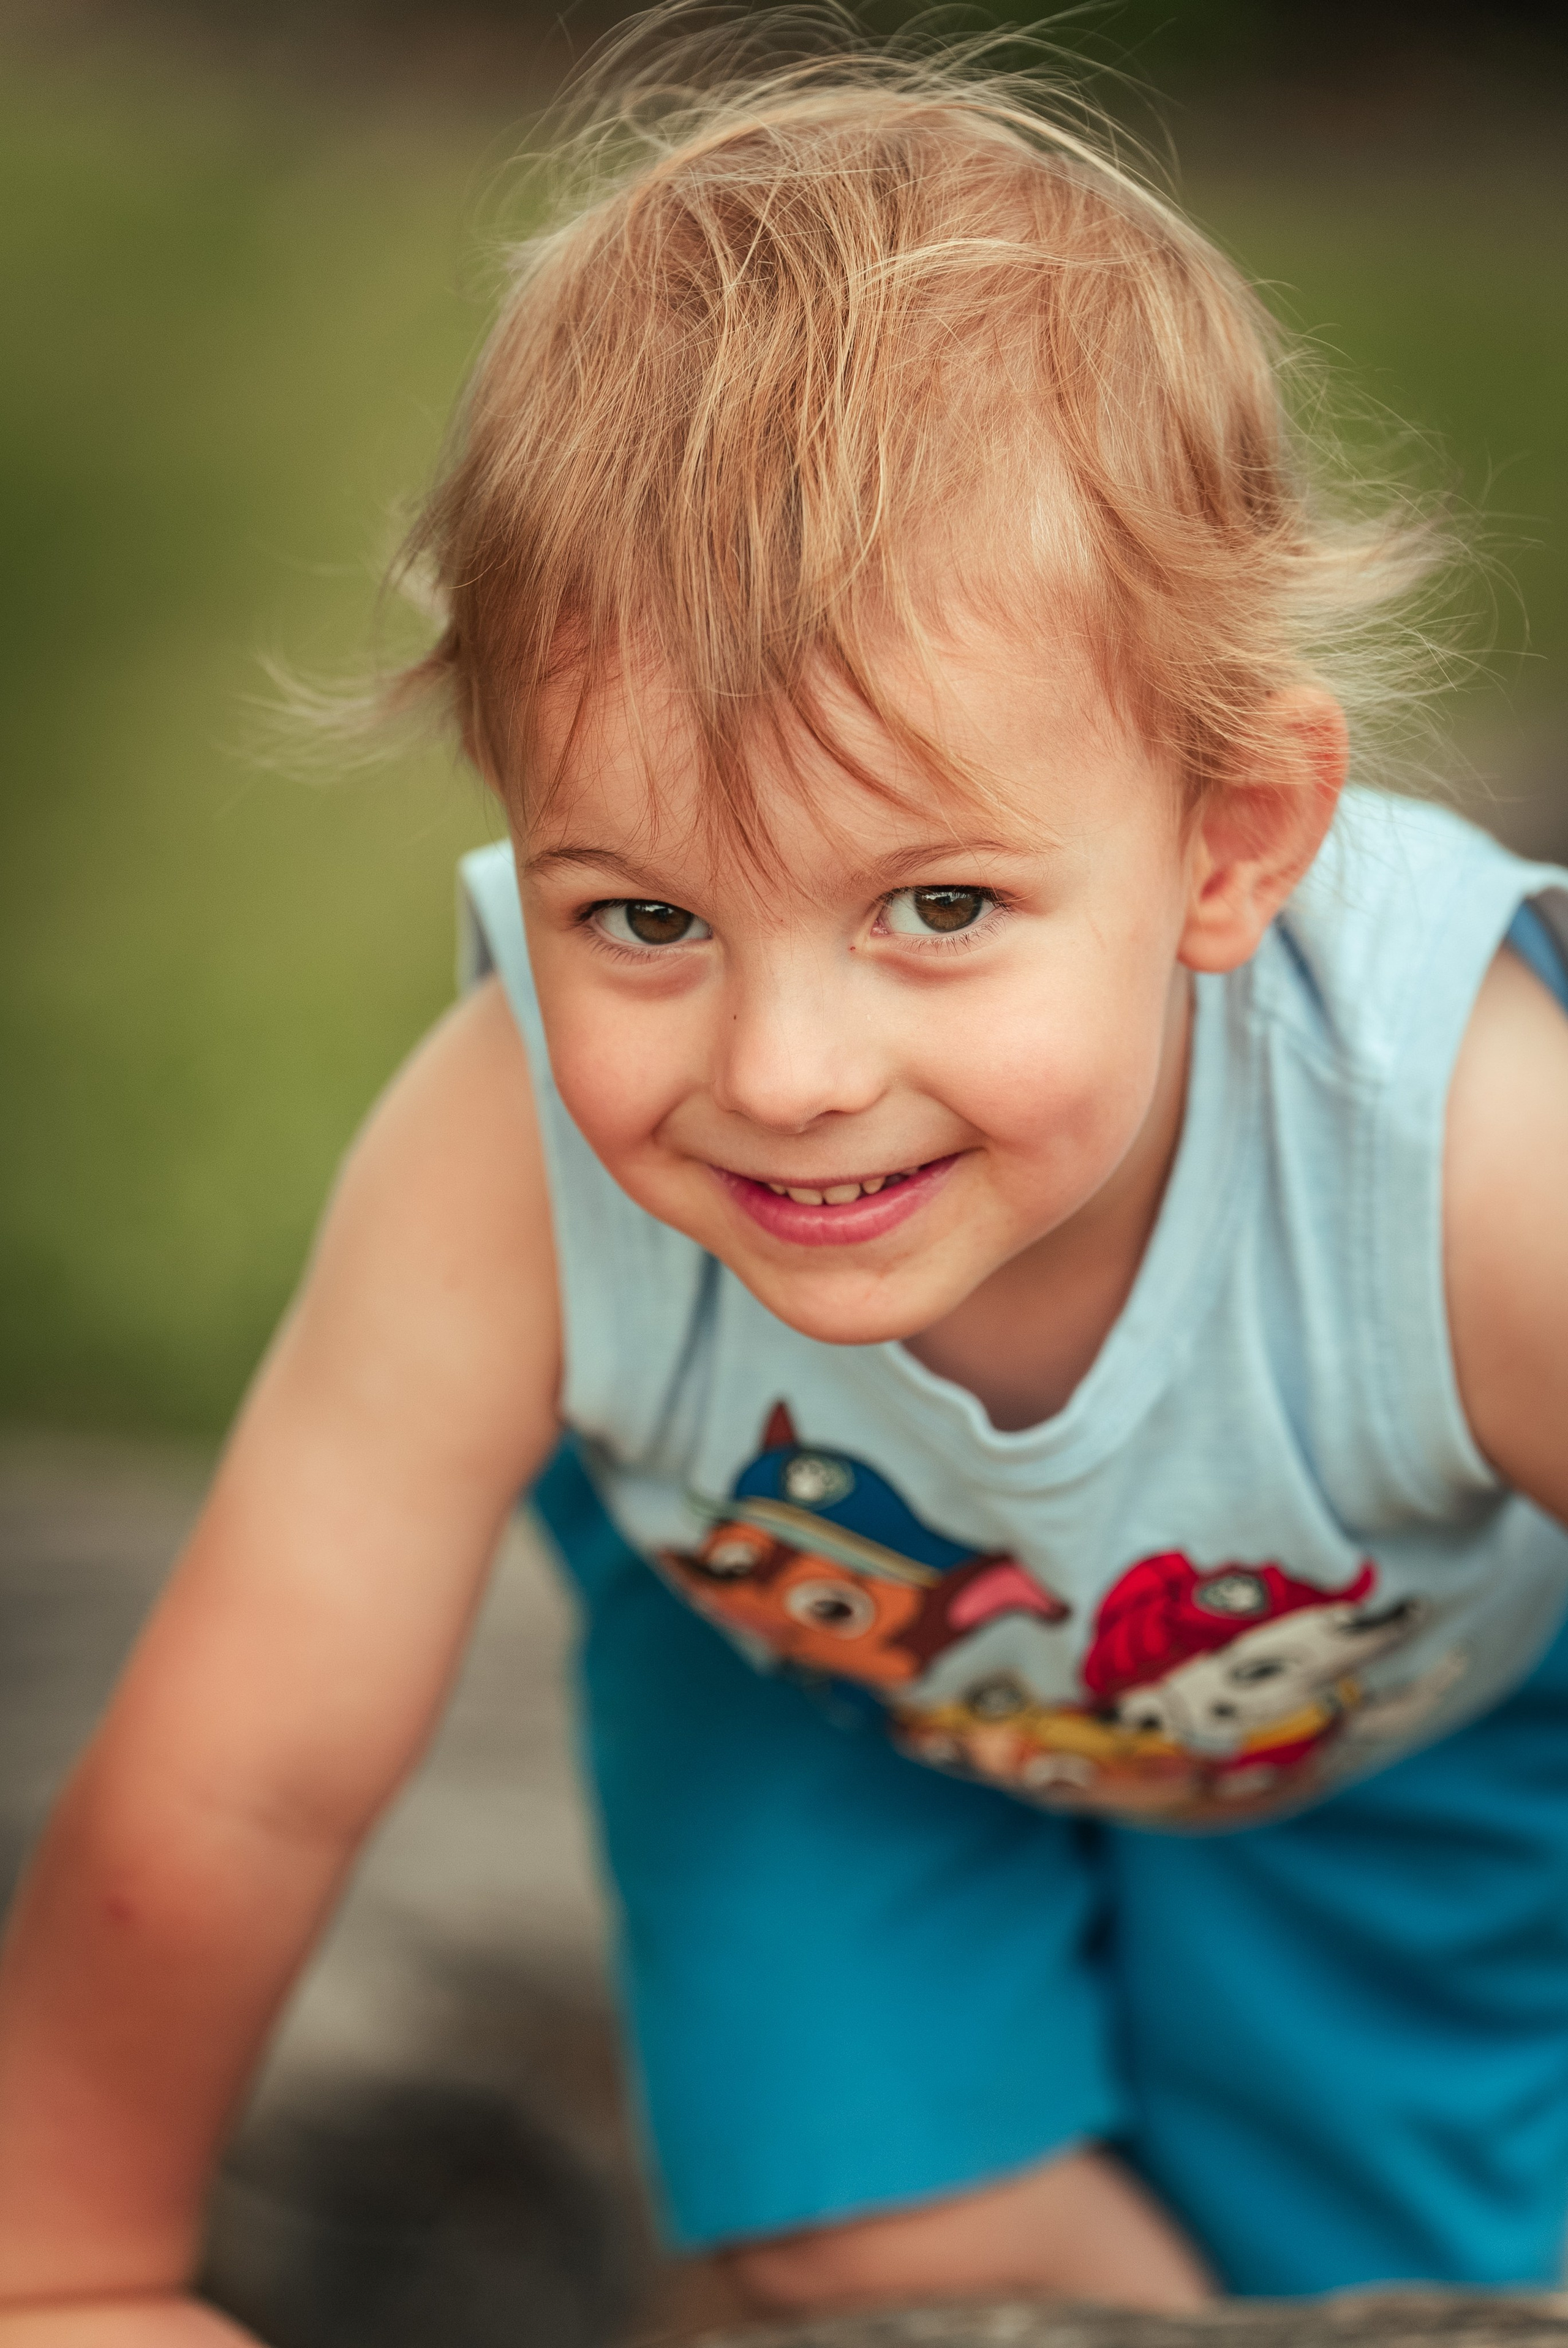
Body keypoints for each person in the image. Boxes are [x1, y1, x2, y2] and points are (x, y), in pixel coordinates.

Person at [2, 13, 1567, 2336]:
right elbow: (241, 1771)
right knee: (861, 2239)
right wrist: (69, 2269)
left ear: (1232, 840)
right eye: (641, 915)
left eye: (935, 907)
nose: (786, 1070)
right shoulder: (501, 1152)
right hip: (820, 1656)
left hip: (1393, 1659)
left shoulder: (1461, 1152)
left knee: (1437, 2219)